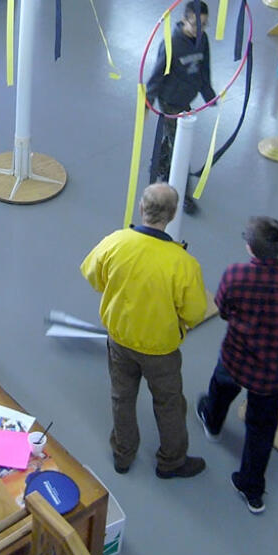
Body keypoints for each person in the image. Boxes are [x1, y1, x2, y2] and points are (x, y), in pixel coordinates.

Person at [80, 182, 208, 480]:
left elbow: (93, 276)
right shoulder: (182, 263)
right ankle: (171, 461)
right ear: (173, 214)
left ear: (141, 208)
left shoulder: (116, 242)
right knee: (169, 403)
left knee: (121, 396)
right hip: (161, 349)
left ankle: (123, 454)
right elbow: (195, 312)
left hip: (120, 340)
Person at [196, 216, 278, 515]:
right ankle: (251, 489)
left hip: (236, 357)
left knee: (220, 388)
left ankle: (212, 422)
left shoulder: (236, 275)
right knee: (262, 427)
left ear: (249, 247)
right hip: (274, 371)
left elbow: (222, 310)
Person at [145, 0, 216, 213]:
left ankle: (158, 163)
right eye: (195, 25)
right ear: (184, 20)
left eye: (204, 25)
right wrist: (147, 104)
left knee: (171, 138)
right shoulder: (171, 44)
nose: (199, 30)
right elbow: (156, 77)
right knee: (180, 146)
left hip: (186, 99)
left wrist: (209, 95)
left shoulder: (202, 40)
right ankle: (183, 194)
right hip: (170, 102)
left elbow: (204, 70)